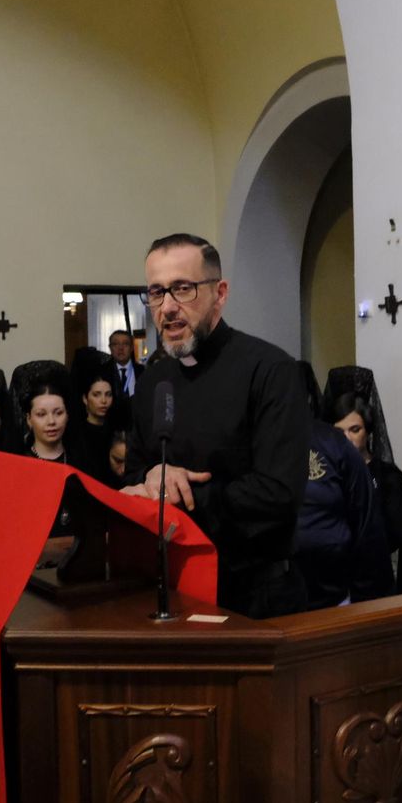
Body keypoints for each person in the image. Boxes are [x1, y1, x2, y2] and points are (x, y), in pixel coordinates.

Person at [121, 234, 311, 618]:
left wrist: (180, 494)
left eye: (183, 289)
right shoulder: (153, 382)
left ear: (219, 293)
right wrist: (154, 476)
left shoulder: (271, 370)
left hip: (255, 594)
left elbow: (278, 493)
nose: (167, 307)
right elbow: (134, 475)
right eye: (156, 292)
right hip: (172, 587)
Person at [293, 364, 387, 610]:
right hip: (274, 594)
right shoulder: (255, 443)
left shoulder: (332, 444)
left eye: (355, 429)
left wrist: (364, 600)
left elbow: (366, 526)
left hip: (333, 593)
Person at [323, 365, 402, 593]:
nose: (346, 439)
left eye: (355, 430)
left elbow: (399, 543)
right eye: (338, 432)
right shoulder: (322, 477)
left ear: (368, 431)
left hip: (375, 584)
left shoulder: (388, 477)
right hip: (331, 585)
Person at [73, 369, 120, 485]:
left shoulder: (117, 432)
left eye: (108, 395)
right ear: (85, 398)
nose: (103, 401)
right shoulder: (76, 434)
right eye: (96, 395)